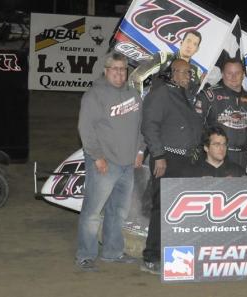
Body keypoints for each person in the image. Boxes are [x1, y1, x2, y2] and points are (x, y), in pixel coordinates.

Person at [75, 52, 145, 271]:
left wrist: (140, 151)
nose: (119, 73)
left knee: (119, 212)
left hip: (127, 164)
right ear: (106, 71)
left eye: (123, 69)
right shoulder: (94, 95)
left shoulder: (134, 95)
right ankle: (85, 255)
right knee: (93, 212)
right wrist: (97, 157)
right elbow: (85, 129)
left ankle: (112, 252)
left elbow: (140, 127)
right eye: (114, 69)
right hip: (105, 163)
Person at [140, 59, 203, 274]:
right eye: (185, 73)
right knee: (161, 208)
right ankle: (151, 256)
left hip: (188, 160)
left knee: (181, 211)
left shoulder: (189, 95)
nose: (188, 76)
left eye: (190, 73)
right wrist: (158, 155)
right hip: (167, 160)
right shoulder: (162, 93)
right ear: (173, 73)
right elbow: (149, 125)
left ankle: (176, 255)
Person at [195, 58, 247, 169]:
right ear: (222, 74)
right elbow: (195, 126)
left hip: (241, 157)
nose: (233, 77)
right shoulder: (209, 96)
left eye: (237, 73)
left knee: (238, 186)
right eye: (229, 73)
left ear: (243, 74)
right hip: (214, 157)